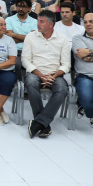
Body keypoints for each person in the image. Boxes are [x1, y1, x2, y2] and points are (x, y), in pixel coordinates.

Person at [22, 10, 71, 138]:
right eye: (38, 21)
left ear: (51, 24)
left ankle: (38, 122)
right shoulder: (30, 37)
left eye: (41, 22)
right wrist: (41, 75)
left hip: (55, 74)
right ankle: (44, 123)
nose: (38, 24)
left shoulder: (62, 39)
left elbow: (66, 64)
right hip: (35, 72)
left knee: (62, 89)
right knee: (31, 83)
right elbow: (25, 60)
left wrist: (53, 76)